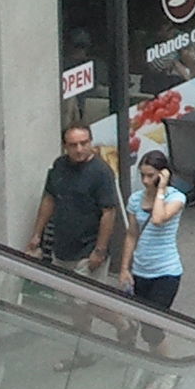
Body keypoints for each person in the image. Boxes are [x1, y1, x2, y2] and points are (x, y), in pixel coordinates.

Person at [28, 124, 127, 365]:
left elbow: (108, 213)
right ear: (65, 146)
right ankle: (87, 348)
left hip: (89, 250)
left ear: (91, 142)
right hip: (63, 247)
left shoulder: (101, 173)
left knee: (85, 301)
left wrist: (100, 250)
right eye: (73, 145)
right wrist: (36, 235)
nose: (79, 149)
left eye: (84, 143)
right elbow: (49, 199)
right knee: (75, 304)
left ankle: (122, 325)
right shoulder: (60, 167)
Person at [122, 148, 186, 389]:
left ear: (163, 174)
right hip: (141, 270)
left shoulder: (175, 197)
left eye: (151, 176)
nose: (146, 181)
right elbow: (131, 234)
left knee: (153, 326)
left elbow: (159, 219)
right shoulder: (135, 200)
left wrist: (160, 190)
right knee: (146, 325)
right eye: (143, 176)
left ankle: (169, 370)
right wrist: (125, 268)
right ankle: (158, 367)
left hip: (166, 271)